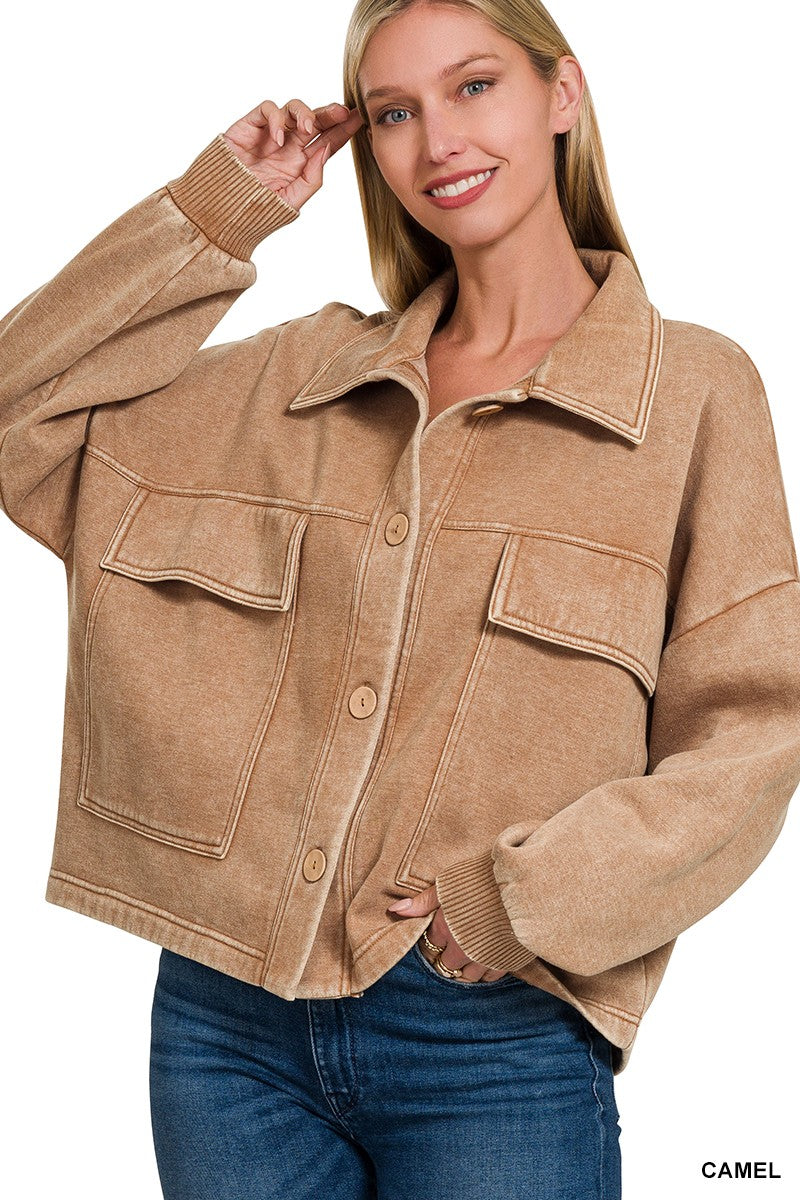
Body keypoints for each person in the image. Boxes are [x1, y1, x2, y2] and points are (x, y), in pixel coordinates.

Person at [1, 0, 799, 1197]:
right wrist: (220, 212)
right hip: (226, 1027)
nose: (437, 141)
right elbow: (21, 412)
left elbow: (754, 731)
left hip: (493, 1033)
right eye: (392, 112)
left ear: (561, 95)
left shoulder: (690, 393)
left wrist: (518, 902)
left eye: (473, 86)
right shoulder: (297, 378)